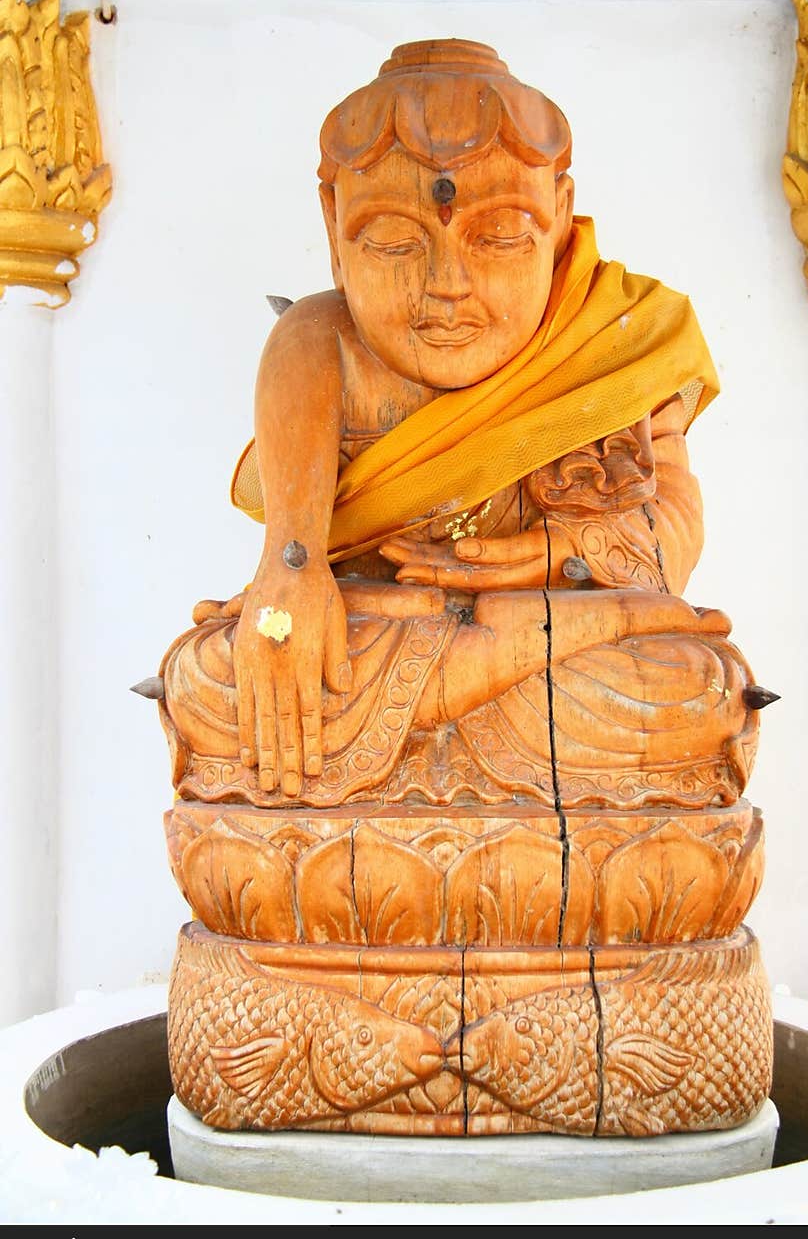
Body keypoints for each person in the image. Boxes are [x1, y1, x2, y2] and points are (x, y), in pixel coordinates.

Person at [158, 39, 757, 811]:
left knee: (700, 687)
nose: (446, 285)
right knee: (210, 680)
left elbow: (671, 530)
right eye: (394, 242)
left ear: (560, 214)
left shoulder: (617, 340)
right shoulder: (321, 344)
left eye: (500, 237)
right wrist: (291, 587)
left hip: (553, 640)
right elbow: (292, 566)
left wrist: (551, 557)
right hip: (381, 638)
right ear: (333, 225)